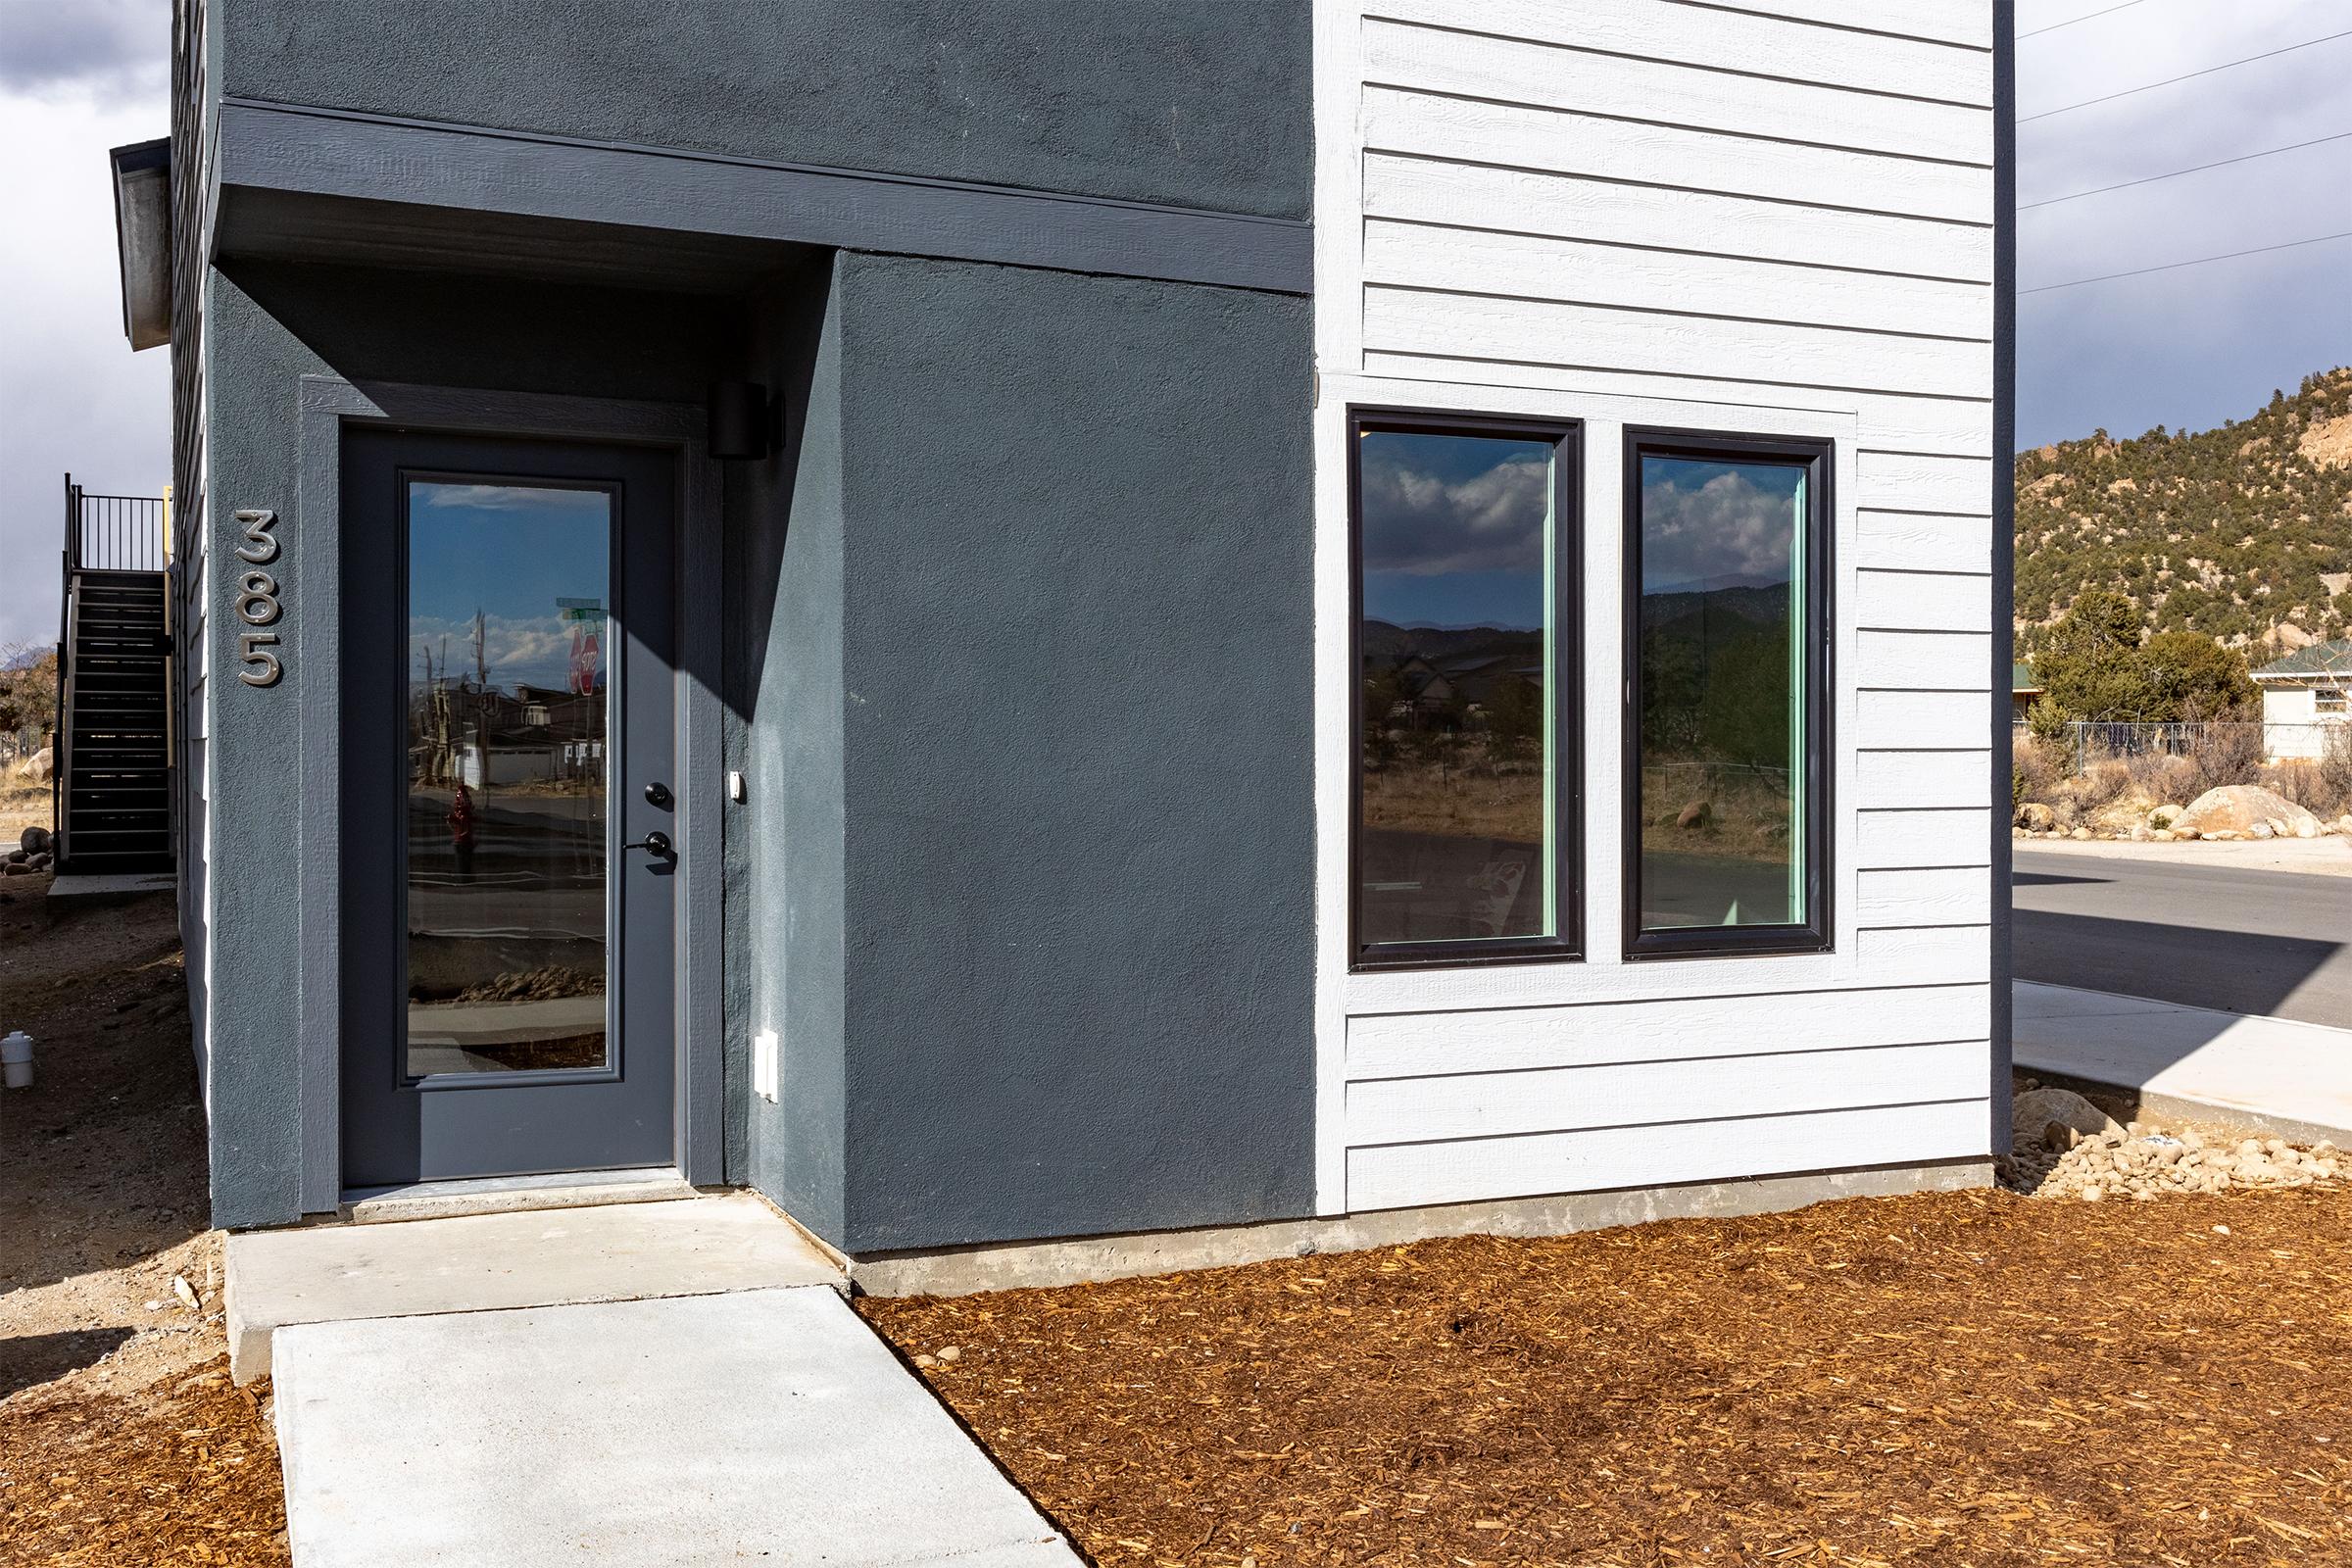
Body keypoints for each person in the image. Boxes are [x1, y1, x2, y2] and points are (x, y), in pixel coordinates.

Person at [448, 779, 477, 881]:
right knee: (465, 862)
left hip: (462, 842)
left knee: (463, 862)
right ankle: (465, 877)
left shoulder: (463, 816)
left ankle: (464, 878)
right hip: (465, 842)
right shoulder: (465, 815)